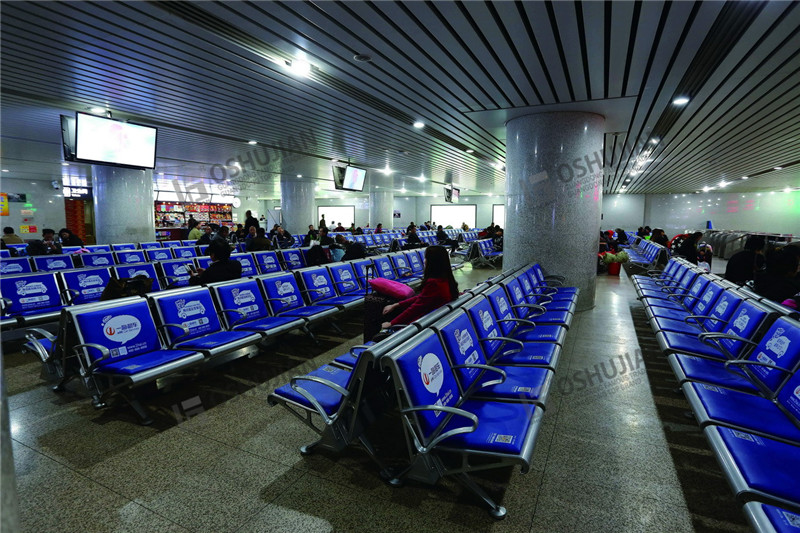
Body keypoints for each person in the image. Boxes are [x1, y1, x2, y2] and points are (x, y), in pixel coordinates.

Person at [380, 246, 459, 329]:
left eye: (426, 258)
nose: (424, 261)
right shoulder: (446, 278)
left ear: (433, 262)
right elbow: (422, 297)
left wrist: (391, 323)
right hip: (435, 318)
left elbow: (417, 307)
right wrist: (397, 304)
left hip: (424, 323)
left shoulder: (433, 283)